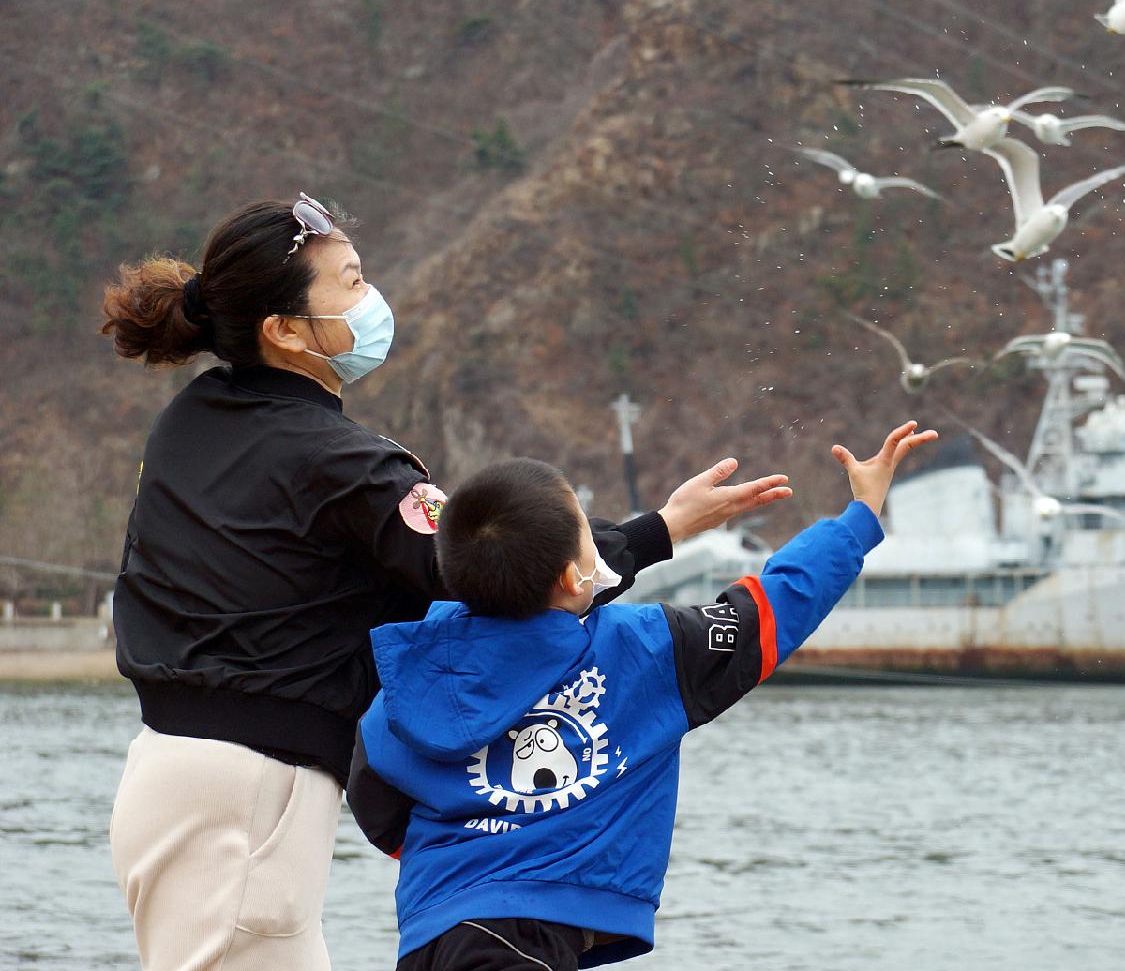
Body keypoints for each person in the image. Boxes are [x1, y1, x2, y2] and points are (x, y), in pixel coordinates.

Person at [98, 193, 792, 970]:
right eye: (352, 284)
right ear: (285, 330)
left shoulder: (190, 421)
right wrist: (655, 532)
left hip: (163, 772)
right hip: (252, 791)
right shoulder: (347, 466)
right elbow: (505, 573)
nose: (372, 301)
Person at [346, 420, 936, 969]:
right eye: (586, 533)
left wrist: (464, 854)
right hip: (529, 940)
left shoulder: (413, 673)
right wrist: (860, 514)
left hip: (429, 934)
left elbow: (371, 791)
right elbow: (774, 605)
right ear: (577, 577)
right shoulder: (647, 651)